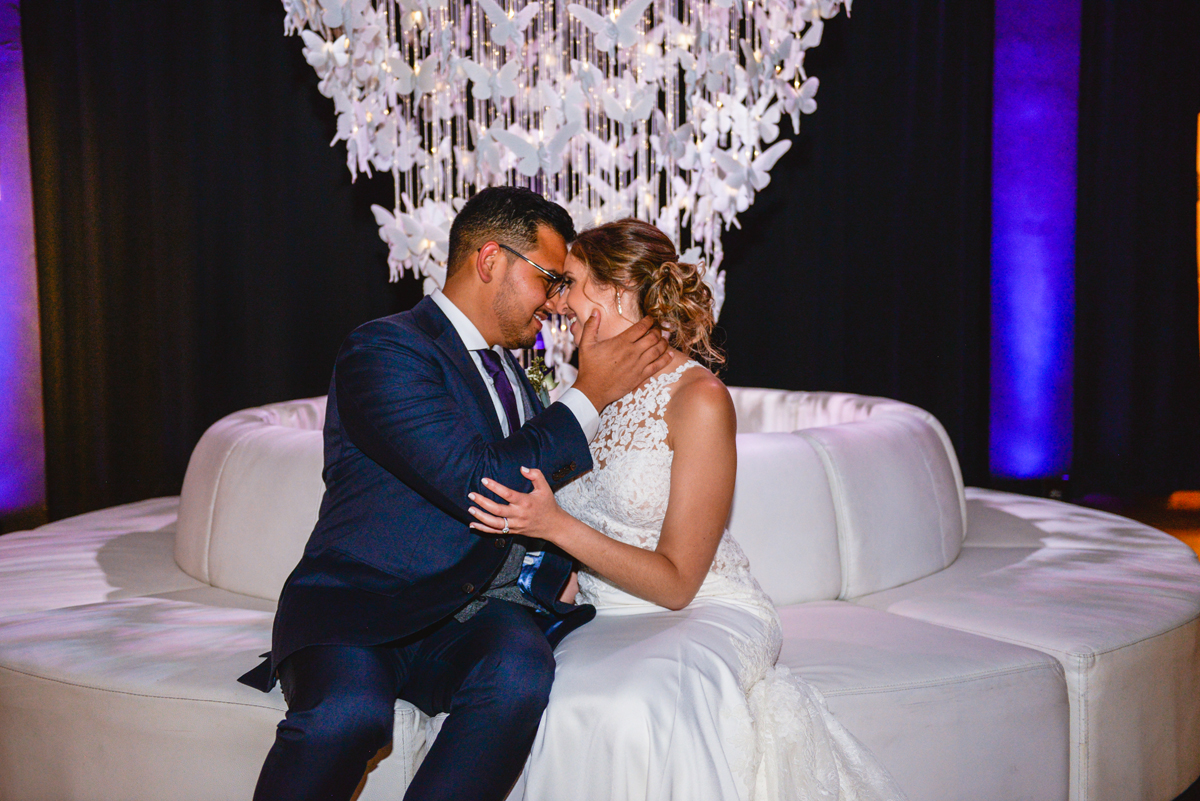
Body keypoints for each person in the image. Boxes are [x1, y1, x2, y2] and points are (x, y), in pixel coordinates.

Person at [240, 188, 672, 801]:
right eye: (549, 280)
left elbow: (541, 495)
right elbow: (481, 482)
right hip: (363, 605)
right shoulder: (386, 349)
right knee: (351, 717)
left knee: (521, 669)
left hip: (467, 617)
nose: (555, 303)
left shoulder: (515, 371)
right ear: (491, 260)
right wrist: (591, 395)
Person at [467, 218, 908, 800]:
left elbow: (677, 583)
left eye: (570, 283)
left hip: (698, 609)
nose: (558, 302)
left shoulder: (697, 398)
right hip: (602, 615)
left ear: (617, 290)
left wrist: (555, 525)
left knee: (631, 709)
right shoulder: (577, 395)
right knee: (551, 706)